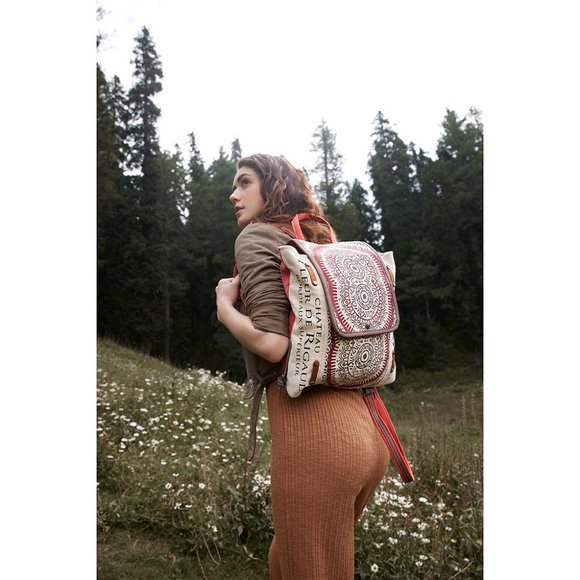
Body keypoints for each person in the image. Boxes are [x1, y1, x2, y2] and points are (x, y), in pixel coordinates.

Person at [215, 154, 389, 580]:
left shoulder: (256, 236)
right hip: (369, 432)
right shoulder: (316, 240)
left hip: (316, 439)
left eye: (244, 183)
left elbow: (274, 344)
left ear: (272, 186)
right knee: (286, 560)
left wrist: (224, 308)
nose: (233, 195)